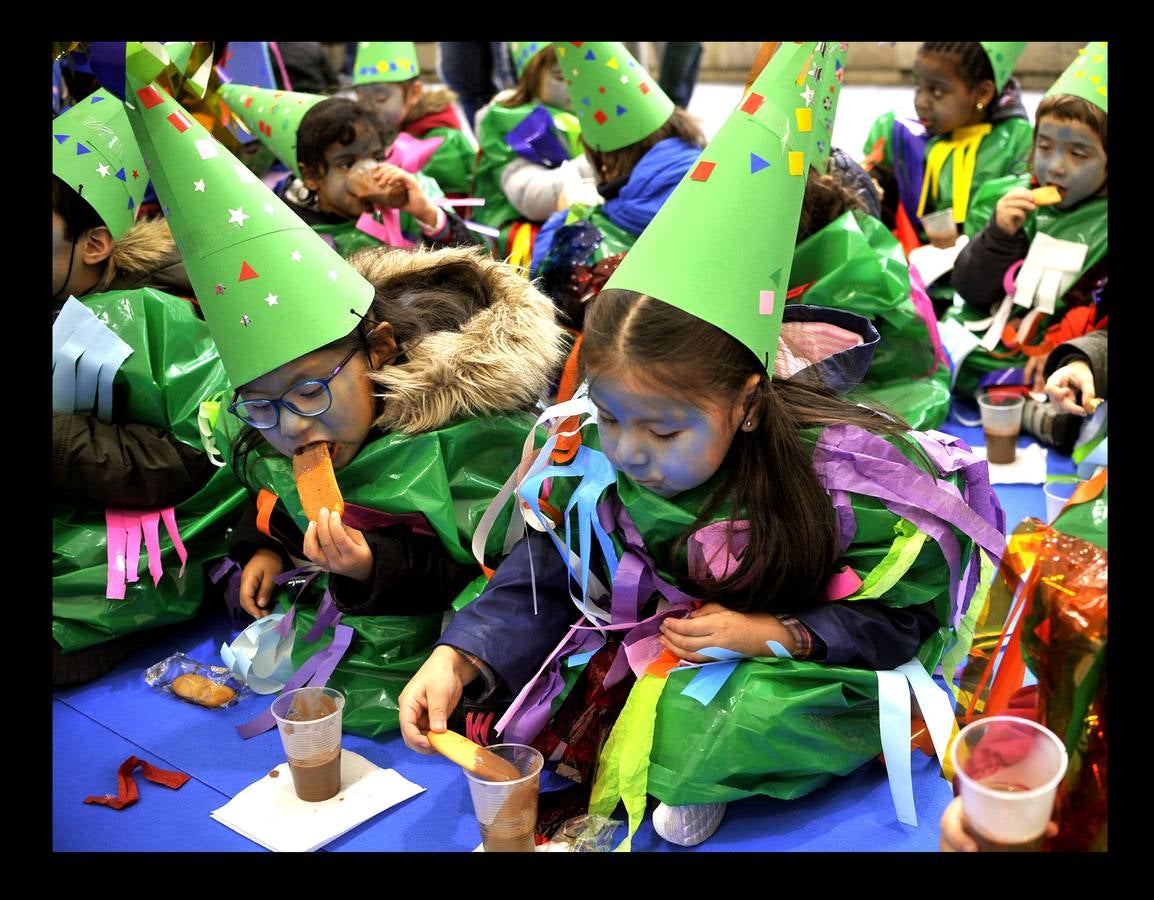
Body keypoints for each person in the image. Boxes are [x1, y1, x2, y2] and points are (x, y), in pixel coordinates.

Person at [398, 43, 1005, 847]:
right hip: (660, 644)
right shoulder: (598, 450)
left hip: (782, 658)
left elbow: (899, 621)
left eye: (663, 429)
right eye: (609, 416)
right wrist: (462, 654)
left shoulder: (844, 485)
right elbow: (546, 568)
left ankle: (710, 757)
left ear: (748, 406)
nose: (629, 450)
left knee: (706, 728)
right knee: (498, 699)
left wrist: (778, 635)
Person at [119, 64, 568, 735]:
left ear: (380, 350)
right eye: (261, 406)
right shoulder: (278, 432)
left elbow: (481, 569)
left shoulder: (469, 433)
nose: (292, 425)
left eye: (307, 391)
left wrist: (371, 563)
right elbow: (270, 490)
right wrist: (263, 549)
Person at [52, 89, 247, 686]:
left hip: (120, 555)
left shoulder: (151, 320)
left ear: (92, 245)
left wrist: (57, 439)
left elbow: (198, 457)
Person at [946, 43, 1107, 454]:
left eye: (1078, 153)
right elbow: (971, 291)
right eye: (1046, 146)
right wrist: (998, 236)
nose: (1054, 166)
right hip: (1007, 347)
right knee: (948, 351)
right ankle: (1030, 406)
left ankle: (1051, 412)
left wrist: (1068, 355)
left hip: (1075, 355)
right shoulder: (1011, 197)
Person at [529, 41, 706, 330]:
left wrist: (566, 219)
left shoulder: (572, 234)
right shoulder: (731, 188)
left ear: (606, 163)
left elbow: (543, 301)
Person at [220, 83, 474, 256]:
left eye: (376, 157)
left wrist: (428, 215)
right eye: (346, 164)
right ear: (309, 175)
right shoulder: (286, 230)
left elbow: (476, 264)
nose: (368, 171)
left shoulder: (408, 197)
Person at [861, 42, 1033, 278]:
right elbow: (879, 193)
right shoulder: (898, 130)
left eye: (937, 91)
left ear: (982, 93)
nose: (920, 101)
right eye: (917, 86)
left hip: (981, 273)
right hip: (907, 268)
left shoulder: (1018, 140)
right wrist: (872, 183)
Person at [470, 42, 596, 267]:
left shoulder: (595, 111)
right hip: (519, 240)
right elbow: (530, 197)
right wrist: (598, 161)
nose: (573, 84)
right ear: (532, 76)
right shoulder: (511, 121)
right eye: (560, 76)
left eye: (582, 74)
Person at [352, 42, 477, 198]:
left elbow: (452, 205)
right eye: (362, 98)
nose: (369, 108)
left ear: (414, 93)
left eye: (381, 98)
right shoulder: (379, 132)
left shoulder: (441, 142)